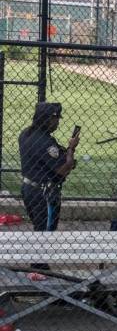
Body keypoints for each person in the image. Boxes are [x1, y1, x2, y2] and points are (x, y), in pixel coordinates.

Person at [19, 102, 80, 269]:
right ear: (47, 119)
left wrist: (65, 154)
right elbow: (63, 169)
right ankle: (39, 268)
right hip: (43, 193)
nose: (57, 123)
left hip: (28, 188)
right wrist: (71, 149)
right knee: (45, 232)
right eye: (55, 119)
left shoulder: (26, 134)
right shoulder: (45, 142)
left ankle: (38, 265)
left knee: (39, 228)